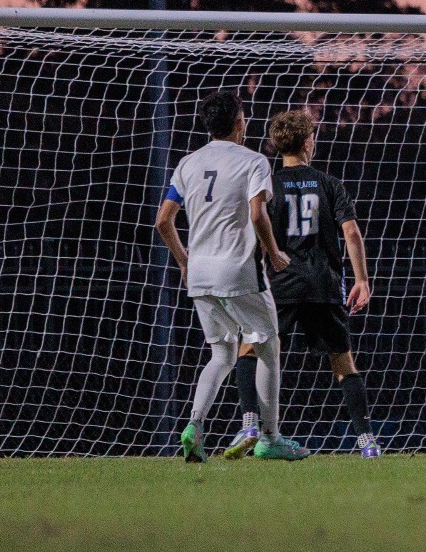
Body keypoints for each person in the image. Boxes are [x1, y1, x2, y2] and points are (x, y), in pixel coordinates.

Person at [152, 89, 307, 462]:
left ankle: (193, 425)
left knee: (221, 355)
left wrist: (184, 261)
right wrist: (273, 252)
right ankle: (270, 438)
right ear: (240, 122)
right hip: (238, 269)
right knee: (268, 348)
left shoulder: (188, 163)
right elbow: (257, 214)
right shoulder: (254, 161)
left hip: (200, 273)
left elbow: (163, 221)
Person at [224, 110, 377, 460]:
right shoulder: (329, 183)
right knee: (343, 362)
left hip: (280, 284)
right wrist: (361, 279)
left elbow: (255, 229)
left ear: (277, 145)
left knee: (249, 348)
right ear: (308, 141)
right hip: (324, 285)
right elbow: (351, 233)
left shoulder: (268, 185)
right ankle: (367, 441)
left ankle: (249, 423)